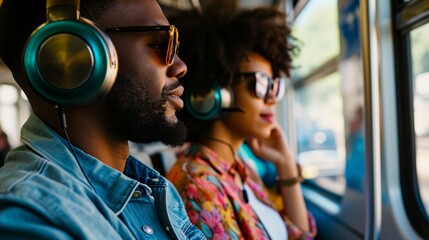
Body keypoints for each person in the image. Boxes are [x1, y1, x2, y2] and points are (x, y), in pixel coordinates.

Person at [0, 0, 205, 239]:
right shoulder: (30, 215)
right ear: (75, 53)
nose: (180, 66)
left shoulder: (153, 188)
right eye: (161, 43)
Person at [166, 2, 317, 239]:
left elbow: (299, 236)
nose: (271, 99)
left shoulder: (241, 169)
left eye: (274, 87)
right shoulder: (197, 186)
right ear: (217, 92)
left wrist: (286, 164)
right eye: (261, 83)